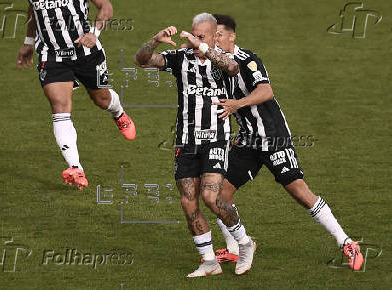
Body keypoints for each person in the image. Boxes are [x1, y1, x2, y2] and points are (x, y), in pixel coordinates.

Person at [212, 14, 364, 271]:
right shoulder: (215, 64)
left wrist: (238, 103)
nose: (215, 39)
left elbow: (266, 91)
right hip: (247, 140)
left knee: (300, 193)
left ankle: (346, 242)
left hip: (273, 137)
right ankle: (235, 247)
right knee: (217, 195)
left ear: (232, 36)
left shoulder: (248, 60)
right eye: (211, 34)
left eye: (219, 34)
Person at [134, 13, 257, 277]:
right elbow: (142, 61)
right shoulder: (181, 59)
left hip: (216, 137)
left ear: (214, 36)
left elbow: (233, 68)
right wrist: (155, 40)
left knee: (211, 197)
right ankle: (209, 261)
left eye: (201, 36)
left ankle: (245, 244)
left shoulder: (223, 61)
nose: (194, 39)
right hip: (186, 140)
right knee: (188, 202)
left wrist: (200, 46)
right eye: (193, 34)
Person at [17, 0, 136, 190]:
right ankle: (76, 168)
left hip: (87, 52)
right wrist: (29, 42)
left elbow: (106, 7)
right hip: (52, 56)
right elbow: (33, 10)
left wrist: (94, 34)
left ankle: (118, 113)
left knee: (102, 99)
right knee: (59, 105)